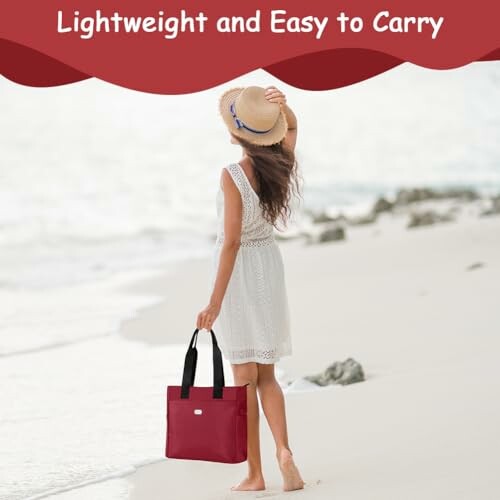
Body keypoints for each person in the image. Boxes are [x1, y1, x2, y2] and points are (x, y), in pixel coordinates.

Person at [196, 85, 305, 492]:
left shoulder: (233, 175)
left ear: (236, 132)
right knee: (268, 377)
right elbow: (292, 128)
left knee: (244, 380)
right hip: (269, 267)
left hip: (241, 273)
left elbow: (230, 242)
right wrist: (282, 108)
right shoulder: (280, 163)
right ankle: (285, 451)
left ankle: (256, 474)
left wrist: (214, 302)